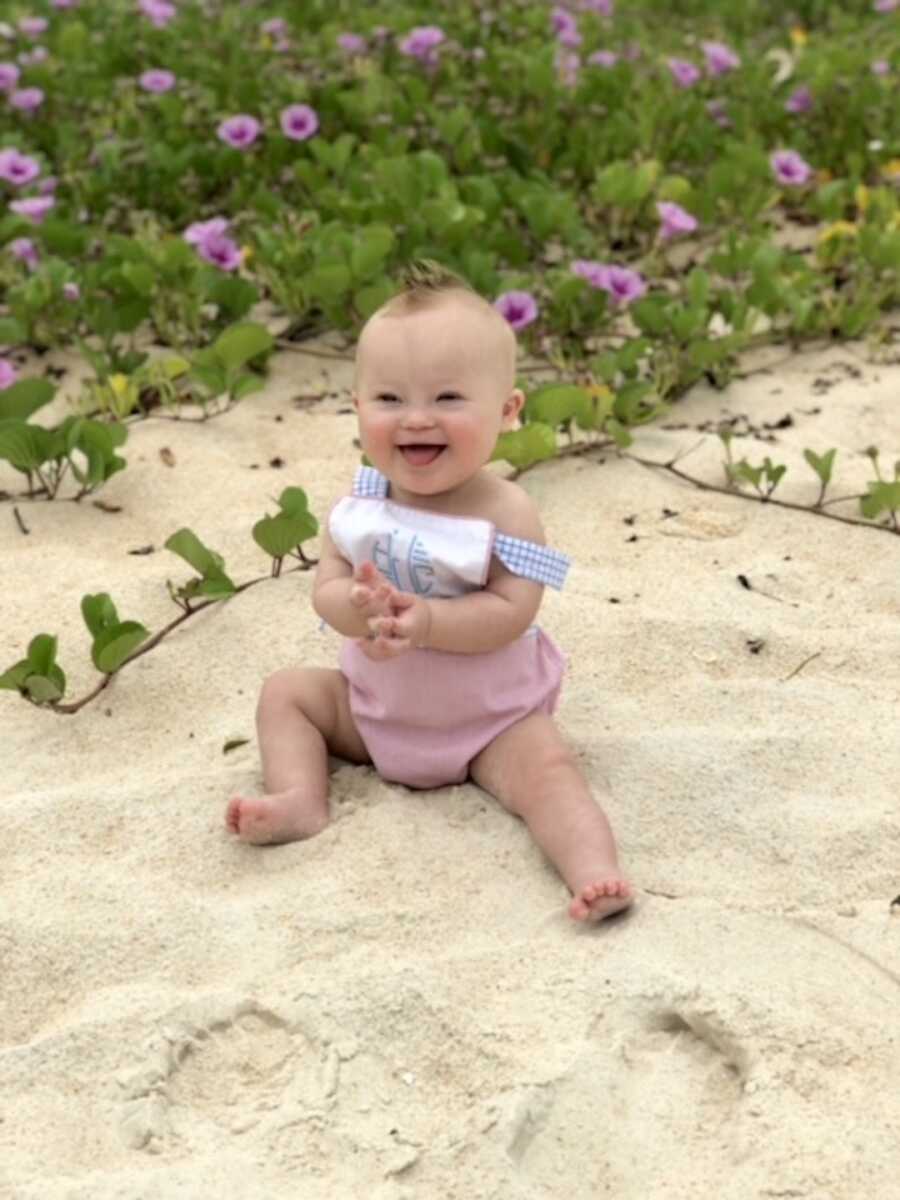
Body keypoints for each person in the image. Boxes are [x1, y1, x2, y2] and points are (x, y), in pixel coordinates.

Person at [227, 261, 633, 922]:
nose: (416, 419)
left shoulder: (507, 512)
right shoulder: (358, 504)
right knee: (286, 693)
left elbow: (512, 611)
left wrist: (430, 624)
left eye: (447, 399)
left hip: (490, 725)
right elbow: (325, 589)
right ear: (358, 409)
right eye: (389, 400)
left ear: (505, 412)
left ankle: (594, 870)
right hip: (372, 711)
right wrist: (356, 611)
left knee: (549, 772)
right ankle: (300, 797)